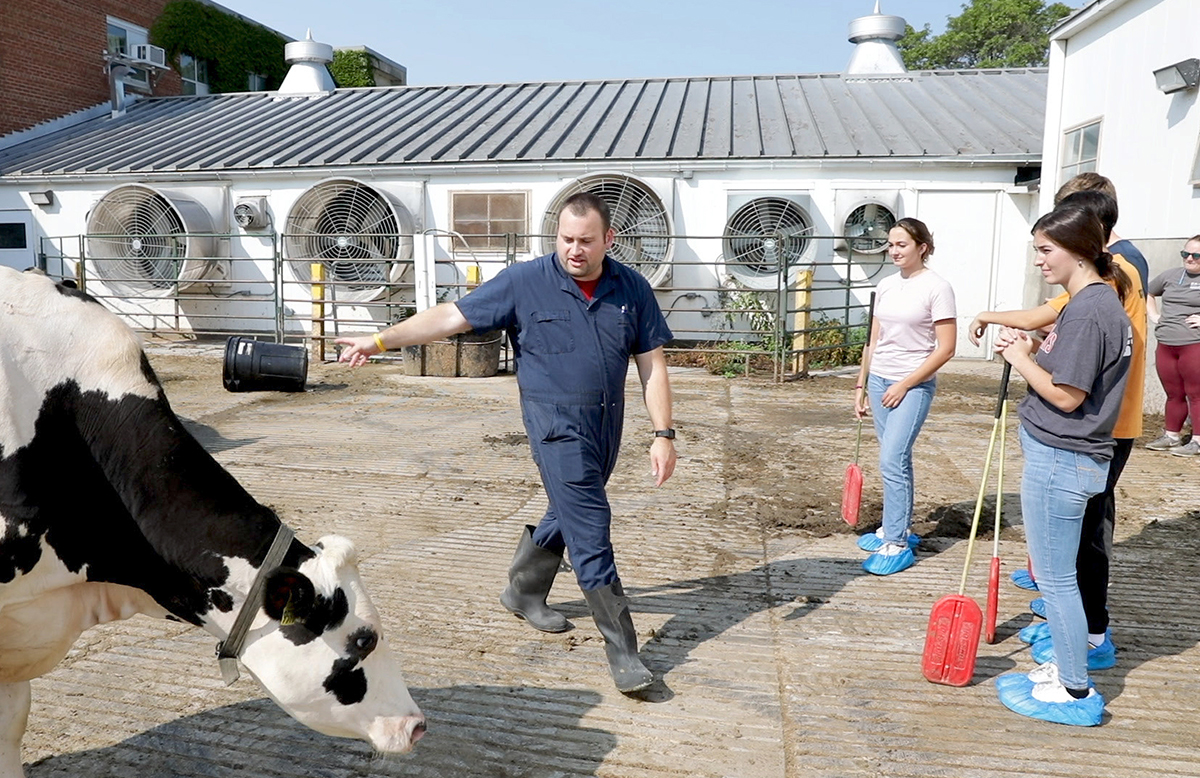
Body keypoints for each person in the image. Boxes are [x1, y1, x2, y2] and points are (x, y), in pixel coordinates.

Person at [336, 192, 677, 694]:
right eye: (565, 239)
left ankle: (523, 590)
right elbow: (450, 317)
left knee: (571, 506)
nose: (574, 250)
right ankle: (624, 652)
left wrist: (663, 433)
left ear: (610, 239)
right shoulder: (525, 282)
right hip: (553, 423)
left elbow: (652, 364)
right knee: (589, 523)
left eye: (586, 240)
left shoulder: (632, 288)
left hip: (606, 423)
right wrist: (381, 340)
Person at [968, 189, 1145, 671]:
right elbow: (1066, 366)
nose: (1039, 262)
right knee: (1058, 575)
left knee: (1057, 580)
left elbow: (1068, 396)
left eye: (1045, 250)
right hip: (1064, 455)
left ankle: (1071, 684)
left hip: (1063, 459)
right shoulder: (1088, 303)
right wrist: (1030, 345)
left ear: (1080, 249)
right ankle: (1069, 671)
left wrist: (1020, 358)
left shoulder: (1090, 309)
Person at [853, 217, 956, 576]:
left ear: (922, 248)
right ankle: (896, 526)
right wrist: (861, 385)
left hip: (913, 385)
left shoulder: (937, 288)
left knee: (891, 459)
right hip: (880, 380)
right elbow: (874, 339)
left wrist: (905, 384)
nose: (894, 251)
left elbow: (946, 349)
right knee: (895, 459)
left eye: (902, 245)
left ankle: (895, 542)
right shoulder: (885, 284)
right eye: (891, 245)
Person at [1144, 234, 1200, 456]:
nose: (1189, 259)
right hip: (1166, 343)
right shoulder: (1170, 276)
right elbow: (1148, 292)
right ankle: (1171, 436)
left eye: (1196, 255)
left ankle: (1197, 440)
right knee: (1173, 392)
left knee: (1196, 393)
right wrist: (1154, 315)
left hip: (1193, 344)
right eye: (1185, 254)